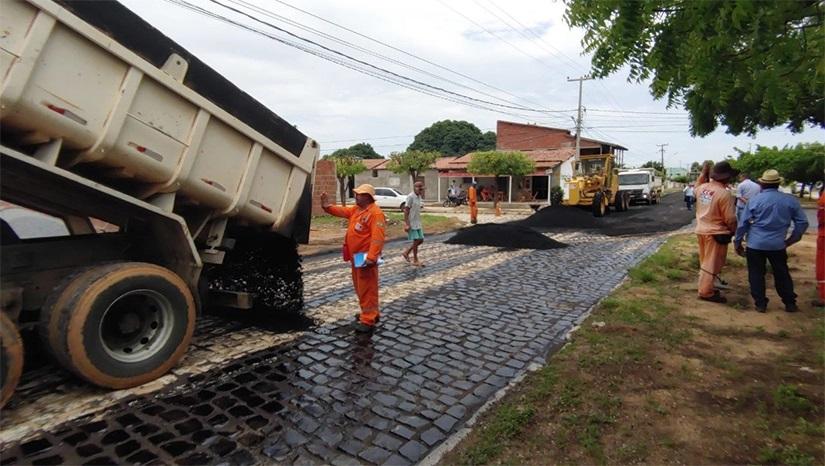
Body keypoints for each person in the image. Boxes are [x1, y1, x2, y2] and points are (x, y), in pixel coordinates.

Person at [734, 169, 809, 312]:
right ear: (778, 184)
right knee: (781, 273)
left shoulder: (754, 201)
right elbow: (802, 223)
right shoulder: (790, 201)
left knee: (756, 273)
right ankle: (789, 303)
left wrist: (737, 242)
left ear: (761, 184)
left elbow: (743, 224)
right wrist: (792, 239)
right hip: (778, 245)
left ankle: (760, 304)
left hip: (755, 244)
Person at [321, 184, 386, 332]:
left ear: (368, 197)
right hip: (356, 258)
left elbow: (378, 238)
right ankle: (369, 313)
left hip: (365, 258)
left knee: (367, 288)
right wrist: (327, 207)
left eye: (359, 194)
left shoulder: (375, 214)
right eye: (356, 194)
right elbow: (342, 210)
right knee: (360, 287)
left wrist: (371, 257)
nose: (356, 196)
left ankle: (368, 320)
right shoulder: (357, 210)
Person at [694, 161, 738, 303]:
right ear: (726, 177)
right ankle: (706, 292)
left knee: (705, 261)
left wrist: (703, 172)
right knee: (711, 264)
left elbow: (697, 185)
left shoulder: (702, 189)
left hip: (701, 230)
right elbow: (730, 218)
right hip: (716, 233)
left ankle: (708, 286)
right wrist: (734, 231)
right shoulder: (724, 194)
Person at [402, 181, 425, 266]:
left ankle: (406, 252)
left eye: (422, 189)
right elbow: (406, 210)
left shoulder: (418, 197)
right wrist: (407, 224)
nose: (421, 190)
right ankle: (415, 260)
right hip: (412, 222)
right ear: (415, 188)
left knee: (421, 240)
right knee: (416, 240)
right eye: (419, 188)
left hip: (417, 221)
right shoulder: (410, 197)